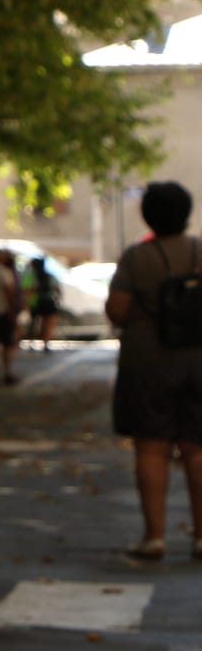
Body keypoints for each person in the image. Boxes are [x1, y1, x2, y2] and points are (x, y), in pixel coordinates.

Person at [105, 181, 202, 562]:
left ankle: (155, 536)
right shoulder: (200, 252)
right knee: (198, 449)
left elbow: (117, 311)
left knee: (151, 446)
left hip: (148, 363)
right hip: (199, 361)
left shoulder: (137, 258)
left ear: (147, 214)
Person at [0, 249, 25, 386]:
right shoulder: (3, 272)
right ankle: (5, 372)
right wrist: (12, 312)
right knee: (6, 343)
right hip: (2, 311)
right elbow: (10, 293)